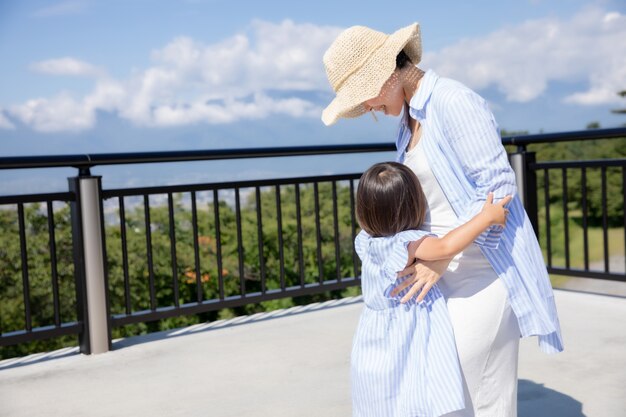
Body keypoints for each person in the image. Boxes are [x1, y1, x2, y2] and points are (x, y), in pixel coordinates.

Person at [322, 23, 563, 416]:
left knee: (477, 398)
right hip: (439, 279)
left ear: (385, 74)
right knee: (445, 396)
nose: (367, 108)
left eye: (362, 97)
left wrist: (437, 258)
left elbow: (500, 191)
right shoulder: (408, 123)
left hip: (482, 274)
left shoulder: (453, 102)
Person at [352, 161, 511, 416]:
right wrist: (486, 217)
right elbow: (446, 247)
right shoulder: (407, 242)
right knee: (415, 397)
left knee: (384, 400)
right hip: (404, 336)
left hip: (373, 338)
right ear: (414, 205)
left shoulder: (365, 240)